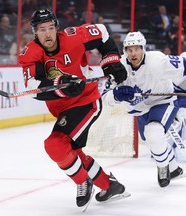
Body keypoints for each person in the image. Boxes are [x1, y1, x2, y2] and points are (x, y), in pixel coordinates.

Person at [18, 9, 128, 209]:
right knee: (71, 152)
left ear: (57, 28)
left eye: (51, 28)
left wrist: (111, 63)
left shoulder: (74, 37)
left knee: (55, 145)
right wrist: (62, 84)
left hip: (87, 101)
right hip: (63, 109)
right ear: (35, 32)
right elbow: (33, 87)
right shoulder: (31, 53)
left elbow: (102, 33)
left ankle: (83, 181)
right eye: (42, 29)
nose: (48, 34)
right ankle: (108, 185)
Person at [102, 31, 186, 188]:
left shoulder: (157, 60)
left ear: (143, 48)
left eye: (137, 49)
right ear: (125, 51)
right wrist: (116, 95)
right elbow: (104, 97)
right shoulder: (119, 67)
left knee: (153, 132)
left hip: (163, 101)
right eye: (129, 49)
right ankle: (174, 168)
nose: (133, 53)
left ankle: (163, 166)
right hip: (140, 109)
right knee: (151, 141)